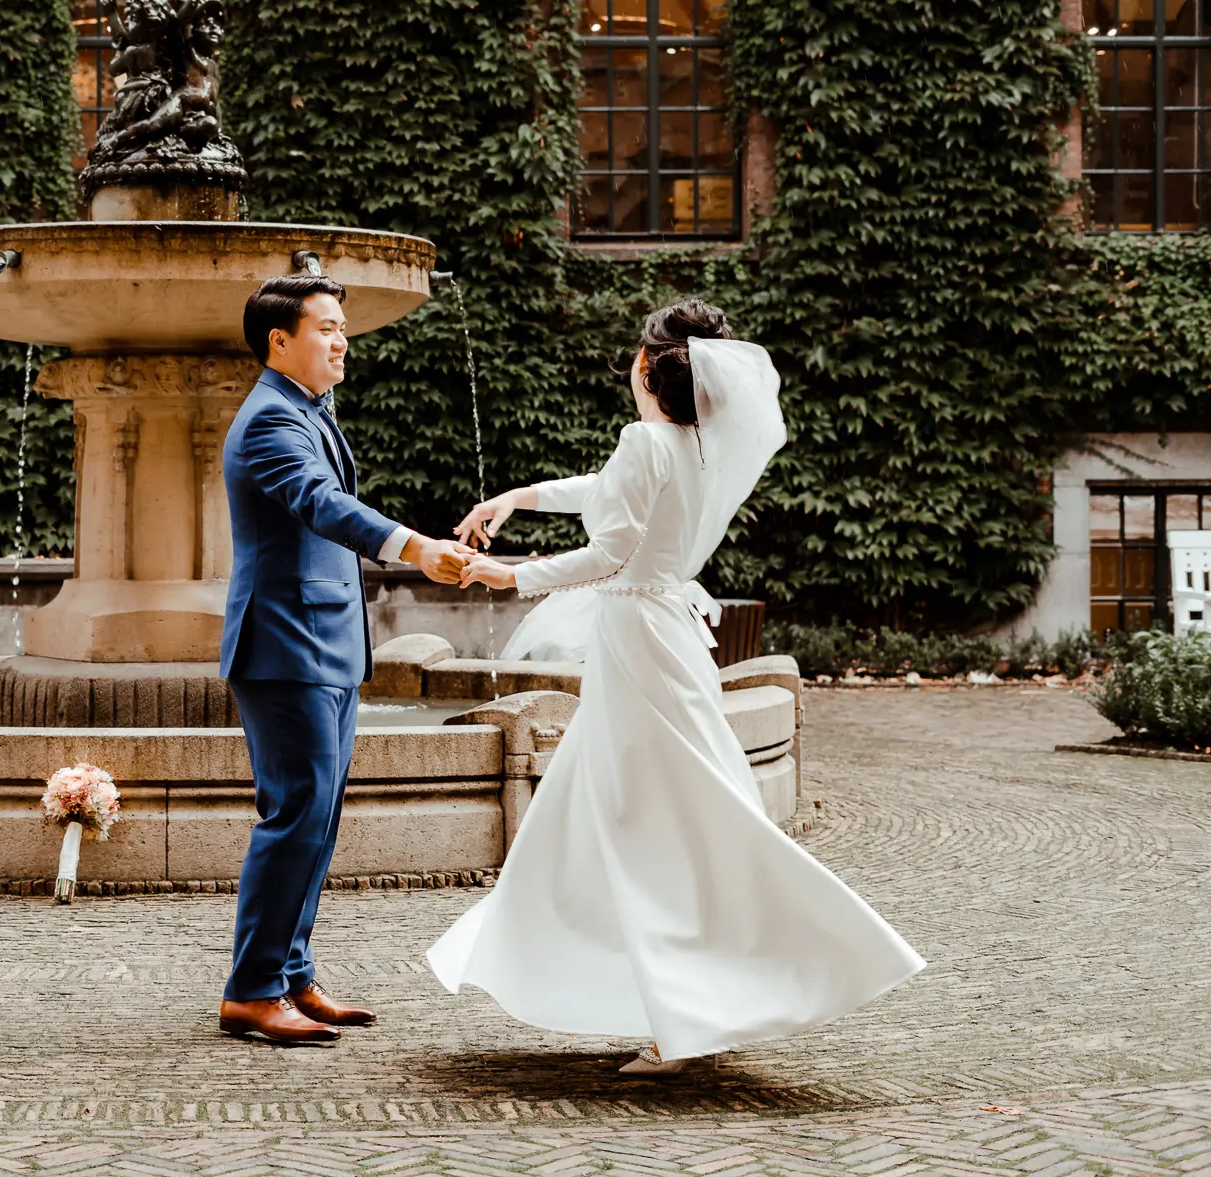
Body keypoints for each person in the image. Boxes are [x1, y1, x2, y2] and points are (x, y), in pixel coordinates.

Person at [428, 299, 924, 1074]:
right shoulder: (701, 446)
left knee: (654, 812)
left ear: (644, 366)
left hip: (637, 638)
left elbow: (609, 551)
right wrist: (518, 497)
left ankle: (682, 1007)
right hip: (669, 635)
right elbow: (610, 491)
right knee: (646, 802)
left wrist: (509, 573)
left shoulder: (644, 440)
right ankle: (668, 985)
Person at [218, 274, 475, 1046]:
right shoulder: (269, 420)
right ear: (280, 340)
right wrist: (414, 546)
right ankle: (251, 990)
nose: (341, 339)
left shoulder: (305, 410)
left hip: (325, 644)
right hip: (285, 644)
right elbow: (321, 505)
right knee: (294, 813)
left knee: (318, 819)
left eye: (342, 326)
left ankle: (292, 974)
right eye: (325, 327)